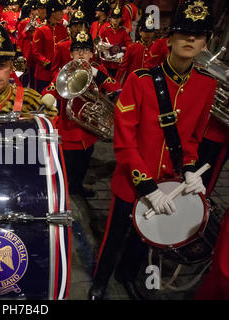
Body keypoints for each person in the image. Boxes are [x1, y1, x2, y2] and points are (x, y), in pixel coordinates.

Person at [88, 0, 217, 300]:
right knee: (115, 235)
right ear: (170, 38)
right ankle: (101, 279)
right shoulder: (141, 80)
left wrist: (188, 169)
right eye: (184, 32)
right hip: (133, 179)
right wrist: (146, 185)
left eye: (198, 35)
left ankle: (128, 274)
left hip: (168, 180)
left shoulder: (206, 85)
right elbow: (123, 140)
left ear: (205, 42)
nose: (190, 40)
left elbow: (193, 140)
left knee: (146, 239)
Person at [43, 28, 121, 198]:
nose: (81, 54)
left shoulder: (98, 70)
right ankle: (63, 191)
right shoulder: (64, 71)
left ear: (91, 54)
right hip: (69, 128)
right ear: (71, 54)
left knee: (84, 163)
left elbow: (114, 86)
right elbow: (49, 89)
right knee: (67, 165)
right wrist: (48, 96)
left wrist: (96, 74)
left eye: (86, 50)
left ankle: (77, 187)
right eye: (77, 50)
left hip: (89, 129)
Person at [33, 0, 69, 93]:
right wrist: (47, 63)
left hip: (59, 74)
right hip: (44, 73)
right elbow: (36, 52)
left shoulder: (63, 29)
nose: (62, 13)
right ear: (53, 13)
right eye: (60, 11)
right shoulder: (40, 30)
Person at [115, 13, 156, 85]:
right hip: (132, 84)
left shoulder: (156, 49)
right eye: (146, 31)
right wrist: (116, 85)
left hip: (149, 85)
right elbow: (122, 69)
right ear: (140, 31)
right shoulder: (132, 48)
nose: (148, 34)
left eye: (151, 32)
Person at [99, 3, 132, 77]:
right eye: (114, 17)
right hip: (106, 63)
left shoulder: (123, 32)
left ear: (120, 19)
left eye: (118, 18)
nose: (115, 20)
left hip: (118, 64)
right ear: (110, 19)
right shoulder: (105, 31)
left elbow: (130, 46)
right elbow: (100, 46)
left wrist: (120, 48)